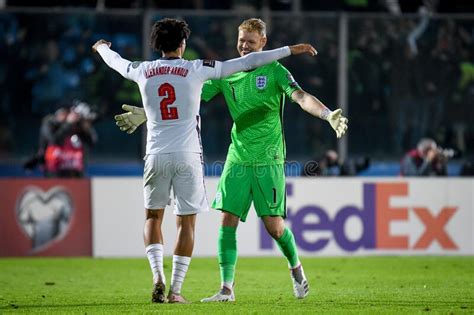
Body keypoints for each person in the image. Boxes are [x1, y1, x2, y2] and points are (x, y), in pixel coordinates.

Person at [113, 18, 348, 302]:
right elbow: (186, 97)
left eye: (251, 41)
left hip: (269, 158)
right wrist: (145, 112)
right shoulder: (228, 74)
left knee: (274, 227)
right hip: (237, 156)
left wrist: (326, 114)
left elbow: (300, 96)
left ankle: (296, 268)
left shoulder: (275, 70)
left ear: (263, 43)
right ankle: (226, 289)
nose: (244, 46)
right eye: (241, 40)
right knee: (227, 221)